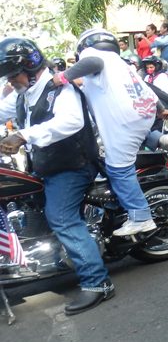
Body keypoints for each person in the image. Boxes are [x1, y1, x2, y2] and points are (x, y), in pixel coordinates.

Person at [0, 38, 113, 315]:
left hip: (72, 166)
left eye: (13, 74)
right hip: (46, 165)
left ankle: (98, 283)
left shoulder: (59, 89)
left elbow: (70, 122)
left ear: (30, 65)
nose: (10, 80)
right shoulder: (23, 94)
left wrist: (23, 135)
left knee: (60, 217)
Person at [55, 28, 159, 238]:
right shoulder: (117, 62)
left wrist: (61, 77)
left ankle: (141, 217)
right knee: (108, 161)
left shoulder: (96, 57)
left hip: (126, 121)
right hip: (141, 114)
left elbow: (93, 64)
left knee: (118, 168)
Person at [150, 22, 168, 97]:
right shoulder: (163, 37)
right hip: (163, 62)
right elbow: (152, 46)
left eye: (161, 27)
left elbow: (158, 43)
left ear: (165, 29)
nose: (160, 29)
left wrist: (155, 40)